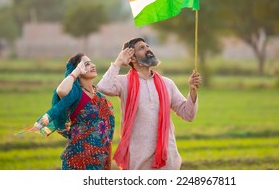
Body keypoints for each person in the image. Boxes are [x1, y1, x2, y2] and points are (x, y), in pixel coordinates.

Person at [97, 37, 201, 170]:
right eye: (141, 48)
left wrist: (192, 90)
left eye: (147, 46)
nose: (148, 49)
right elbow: (103, 87)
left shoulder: (167, 83)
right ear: (132, 58)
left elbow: (188, 114)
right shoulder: (124, 83)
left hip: (167, 157)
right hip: (138, 158)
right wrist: (118, 62)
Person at [25, 53, 115, 170]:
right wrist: (76, 71)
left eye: (91, 62)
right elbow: (61, 90)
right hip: (77, 160)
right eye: (86, 64)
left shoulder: (101, 98)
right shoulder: (75, 95)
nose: (92, 65)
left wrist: (108, 164)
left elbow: (108, 135)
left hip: (100, 160)